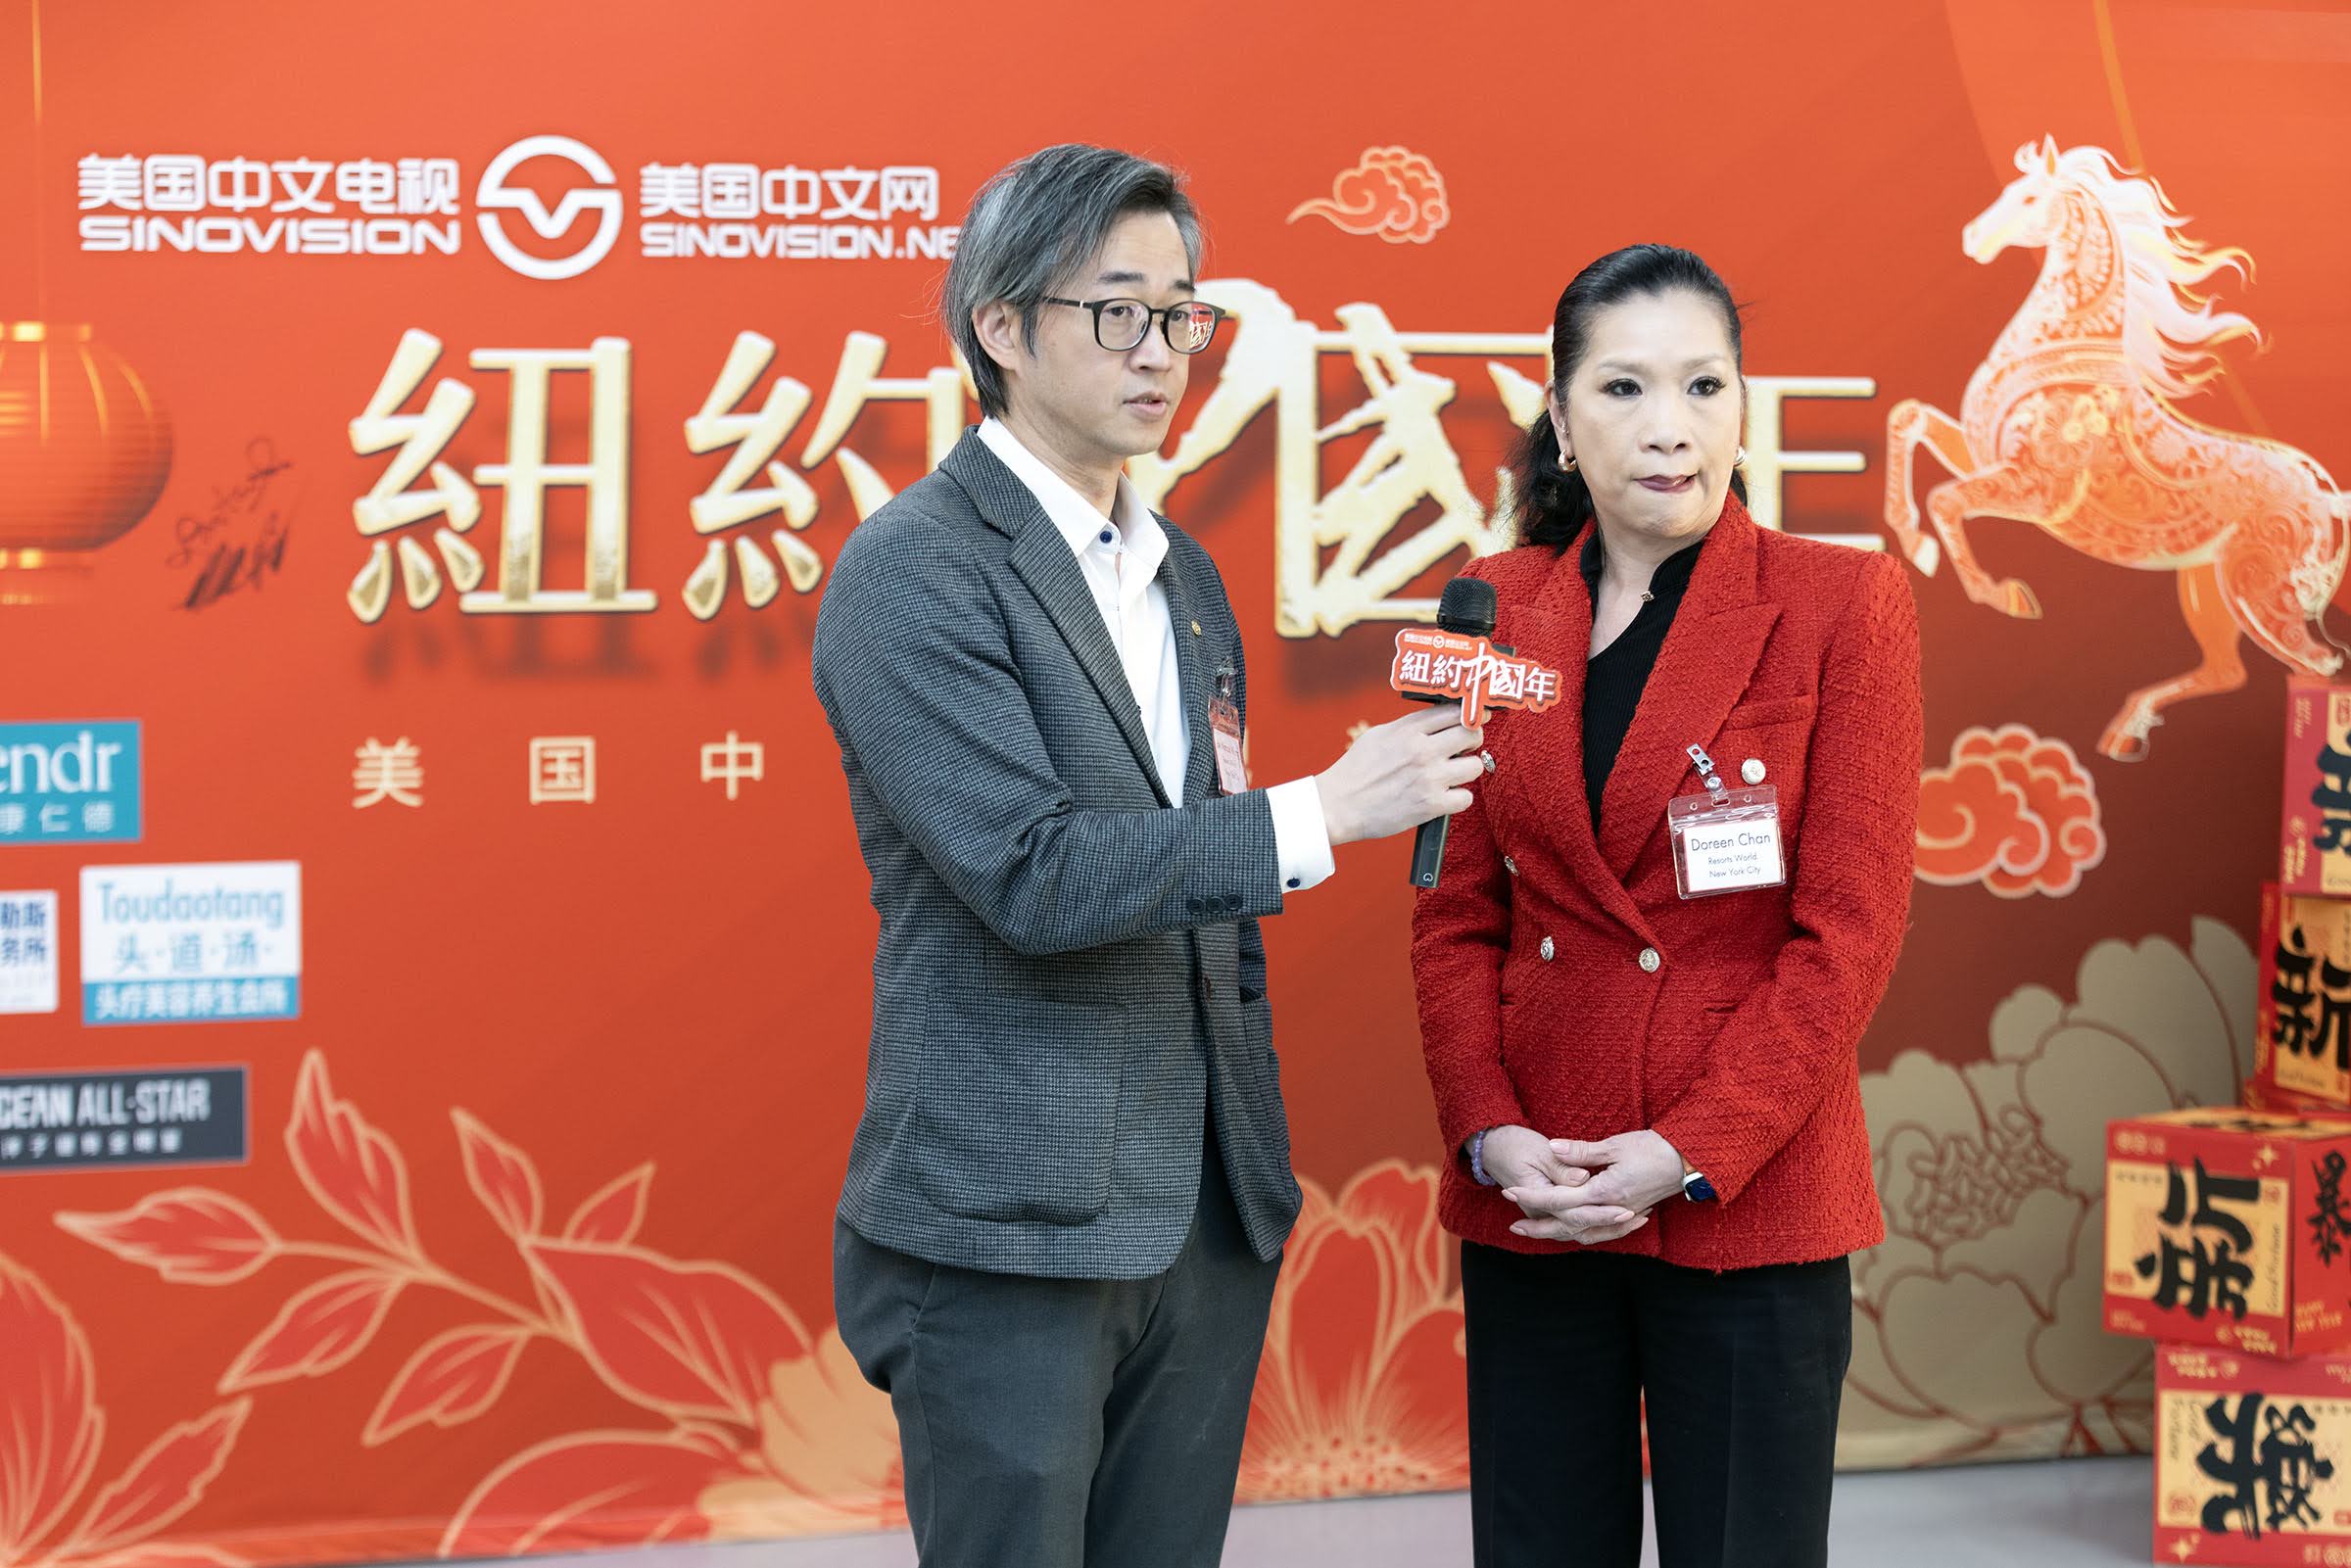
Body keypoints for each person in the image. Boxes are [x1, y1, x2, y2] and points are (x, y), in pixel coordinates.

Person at [810, 143, 1487, 1568]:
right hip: (1009, 1222)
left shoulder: (1184, 574)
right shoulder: (914, 567)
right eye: (1121, 310)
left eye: (1184, 315)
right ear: (1001, 327)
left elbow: (1200, 875)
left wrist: (1248, 1176)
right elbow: (1032, 875)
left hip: (1204, 1208)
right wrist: (1321, 812)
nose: (1164, 351)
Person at [1409, 244, 1922, 1568]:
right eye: (1625, 387)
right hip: (1540, 1188)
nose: (1669, 425)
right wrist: (1489, 1132)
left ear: (1744, 404)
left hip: (1746, 1190)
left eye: (1704, 385)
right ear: (1561, 414)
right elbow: (1455, 914)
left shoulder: (1839, 602)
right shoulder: (1492, 606)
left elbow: (1847, 936)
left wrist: (1688, 1147)